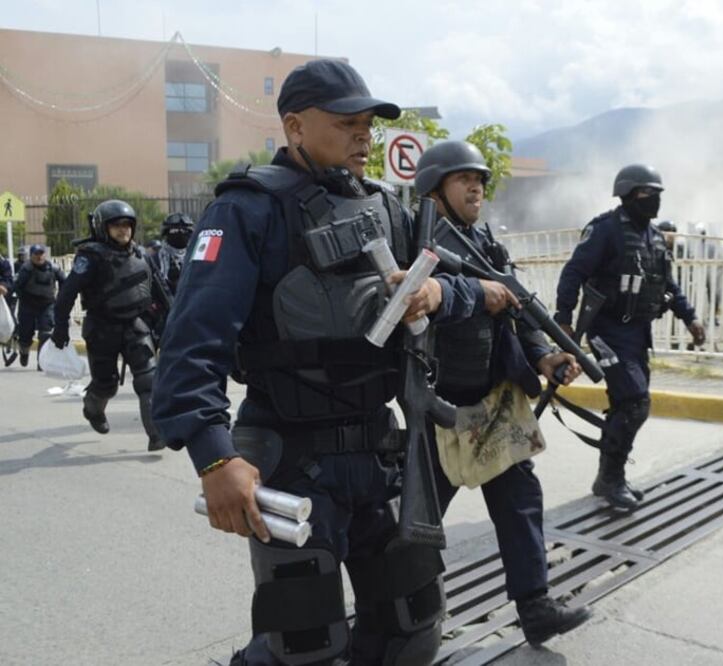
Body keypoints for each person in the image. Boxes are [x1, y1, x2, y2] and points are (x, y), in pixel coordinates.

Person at [151, 59, 483, 665]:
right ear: (296, 127)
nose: (364, 136)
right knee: (303, 646)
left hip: (380, 456)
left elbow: (460, 285)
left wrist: (438, 293)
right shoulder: (247, 209)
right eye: (347, 123)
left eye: (369, 124)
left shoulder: (389, 208)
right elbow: (189, 346)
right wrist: (214, 454)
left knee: (412, 630)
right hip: (292, 459)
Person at [414, 140, 594, 646]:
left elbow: (518, 309)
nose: (476, 187)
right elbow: (415, 305)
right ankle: (393, 611)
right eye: (463, 179)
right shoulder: (420, 244)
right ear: (434, 190)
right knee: (415, 521)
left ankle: (535, 607)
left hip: (493, 403)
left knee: (520, 502)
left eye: (480, 180)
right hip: (440, 408)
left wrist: (544, 356)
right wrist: (472, 296)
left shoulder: (484, 242)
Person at [554, 164, 705, 511]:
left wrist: (691, 318)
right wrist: (563, 319)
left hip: (638, 334)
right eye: (645, 194)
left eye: (657, 194)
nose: (653, 200)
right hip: (607, 330)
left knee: (627, 405)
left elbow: (668, 285)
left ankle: (610, 476)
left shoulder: (654, 238)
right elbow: (574, 272)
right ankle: (610, 479)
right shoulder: (606, 230)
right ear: (626, 195)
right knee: (636, 402)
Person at [51, 202, 162, 449]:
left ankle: (156, 434)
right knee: (106, 384)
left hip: (136, 326)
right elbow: (67, 293)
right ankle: (93, 410)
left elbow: (158, 290)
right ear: (103, 228)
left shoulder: (141, 254)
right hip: (102, 329)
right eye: (116, 225)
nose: (123, 230)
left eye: (127, 225)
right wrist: (59, 327)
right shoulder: (90, 257)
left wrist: (170, 321)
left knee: (149, 380)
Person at [13, 244, 64, 368]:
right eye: (36, 254)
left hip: (47, 305)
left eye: (41, 254)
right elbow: (17, 286)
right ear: (31, 256)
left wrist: (61, 299)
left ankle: (41, 361)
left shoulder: (54, 268)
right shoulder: (26, 269)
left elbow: (65, 282)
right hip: (28, 306)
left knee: (45, 333)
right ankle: (24, 352)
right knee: (25, 334)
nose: (39, 257)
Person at [146, 212, 195, 341]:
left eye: (184, 231)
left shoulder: (197, 258)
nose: (179, 234)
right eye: (174, 231)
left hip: (192, 318)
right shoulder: (154, 261)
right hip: (162, 322)